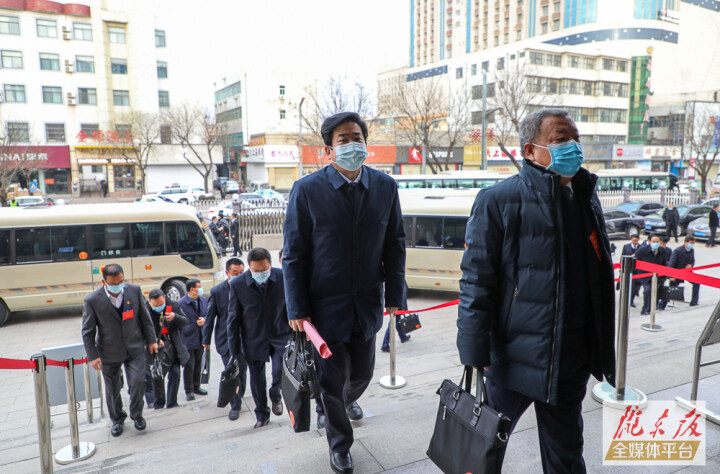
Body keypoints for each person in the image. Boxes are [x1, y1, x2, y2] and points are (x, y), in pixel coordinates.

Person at [458, 108, 616, 473]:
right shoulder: (498, 200)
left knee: (566, 456)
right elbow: (477, 280)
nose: (573, 147)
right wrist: (473, 348)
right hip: (513, 358)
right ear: (531, 150)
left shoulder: (585, 196)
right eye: (561, 139)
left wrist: (596, 347)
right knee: (481, 449)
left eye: (576, 139)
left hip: (570, 359)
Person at [283, 111, 405, 474]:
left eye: (357, 138)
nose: (352, 145)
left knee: (363, 373)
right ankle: (340, 445)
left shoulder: (385, 187)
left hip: (366, 304)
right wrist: (296, 308)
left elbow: (395, 244)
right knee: (331, 379)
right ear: (328, 150)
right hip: (323, 308)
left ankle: (333, 402)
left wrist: (395, 295)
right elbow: (294, 254)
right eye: (343, 139)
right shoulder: (307, 190)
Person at [81, 264, 157, 437]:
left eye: (121, 281)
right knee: (113, 389)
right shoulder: (92, 301)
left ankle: (137, 415)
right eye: (113, 283)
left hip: (134, 347)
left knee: (138, 382)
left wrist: (152, 340)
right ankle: (117, 419)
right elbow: (87, 332)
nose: (118, 286)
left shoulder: (134, 291)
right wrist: (93, 356)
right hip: (109, 351)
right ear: (104, 282)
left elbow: (145, 318)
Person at [227, 248, 291, 428]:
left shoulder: (282, 277)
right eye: (256, 270)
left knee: (280, 370)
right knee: (257, 379)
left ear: (270, 264)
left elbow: (292, 305)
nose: (260, 273)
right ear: (249, 267)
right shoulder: (238, 284)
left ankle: (275, 394)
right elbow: (233, 318)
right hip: (253, 338)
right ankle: (262, 414)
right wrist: (234, 350)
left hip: (280, 334)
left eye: (264, 269)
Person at [203, 258, 248, 420]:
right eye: (235, 272)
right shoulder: (217, 292)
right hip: (226, 338)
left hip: (245, 338)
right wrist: (206, 341)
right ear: (227, 273)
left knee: (242, 370)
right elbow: (210, 318)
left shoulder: (248, 287)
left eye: (241, 272)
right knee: (231, 371)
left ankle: (239, 393)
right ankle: (235, 405)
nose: (239, 275)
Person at [147, 289, 189, 409]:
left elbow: (185, 321)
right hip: (155, 348)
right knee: (157, 375)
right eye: (156, 305)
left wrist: (175, 317)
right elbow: (140, 329)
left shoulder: (173, 305)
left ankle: (172, 402)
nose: (159, 307)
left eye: (161, 304)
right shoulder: (145, 310)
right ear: (149, 302)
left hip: (172, 345)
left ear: (164, 297)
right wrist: (153, 339)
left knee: (175, 373)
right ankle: (159, 403)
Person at [178, 279, 208, 401]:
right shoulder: (181, 303)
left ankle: (196, 386)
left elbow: (208, 313)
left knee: (198, 363)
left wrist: (204, 319)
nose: (201, 289)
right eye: (199, 287)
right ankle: (189, 390)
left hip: (200, 336)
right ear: (192, 289)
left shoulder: (203, 300)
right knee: (189, 365)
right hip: (188, 337)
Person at [636, 234, 668, 315]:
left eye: (657, 242)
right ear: (649, 241)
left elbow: (664, 263)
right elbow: (636, 262)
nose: (656, 243)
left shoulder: (662, 250)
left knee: (654, 291)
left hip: (657, 276)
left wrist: (664, 276)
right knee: (648, 290)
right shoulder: (642, 250)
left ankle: (652, 307)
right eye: (654, 242)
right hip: (645, 276)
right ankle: (645, 309)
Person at [669, 236, 700, 306]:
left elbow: (692, 260)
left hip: (687, 272)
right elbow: (672, 263)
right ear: (685, 242)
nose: (692, 245)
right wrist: (671, 275)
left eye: (693, 243)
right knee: (672, 288)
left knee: (697, 282)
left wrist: (691, 265)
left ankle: (694, 301)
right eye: (691, 243)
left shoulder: (692, 250)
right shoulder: (677, 251)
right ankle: (664, 303)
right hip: (677, 272)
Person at [622, 234, 642, 307]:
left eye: (636, 241)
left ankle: (631, 301)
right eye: (633, 241)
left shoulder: (641, 247)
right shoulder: (626, 246)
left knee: (634, 287)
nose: (635, 242)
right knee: (626, 285)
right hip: (628, 268)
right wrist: (621, 267)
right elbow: (623, 256)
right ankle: (625, 300)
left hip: (637, 270)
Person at [657, 237, 672, 310]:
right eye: (661, 243)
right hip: (657, 272)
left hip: (664, 272)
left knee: (663, 288)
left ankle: (662, 305)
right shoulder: (656, 250)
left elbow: (670, 261)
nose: (662, 245)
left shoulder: (668, 250)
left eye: (664, 244)